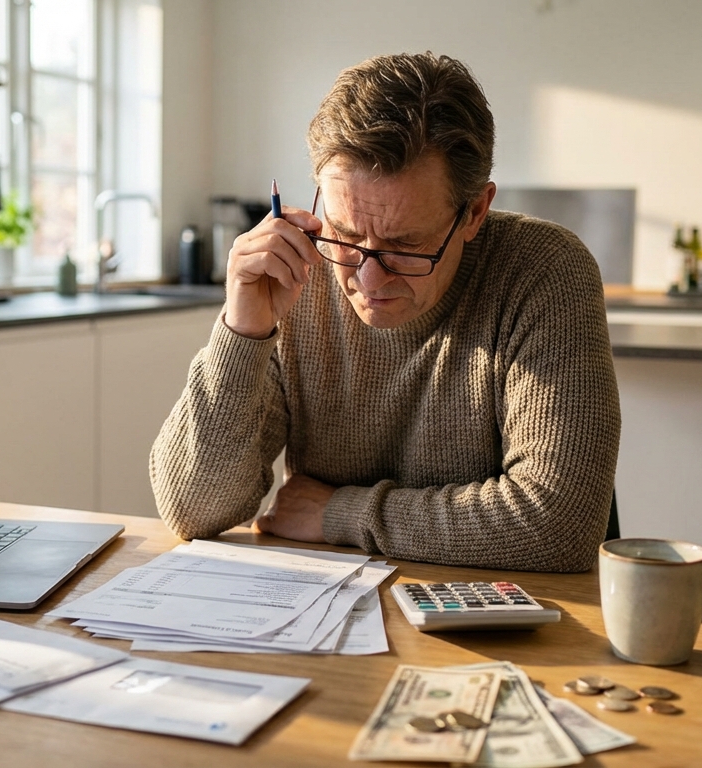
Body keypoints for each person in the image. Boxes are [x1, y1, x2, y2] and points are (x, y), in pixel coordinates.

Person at [149, 52, 621, 572]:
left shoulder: (545, 270)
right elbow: (191, 510)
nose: (367, 278)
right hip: (331, 613)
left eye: (405, 246)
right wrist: (242, 330)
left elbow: (559, 525)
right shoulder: (295, 273)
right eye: (347, 234)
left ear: (475, 212)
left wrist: (340, 513)